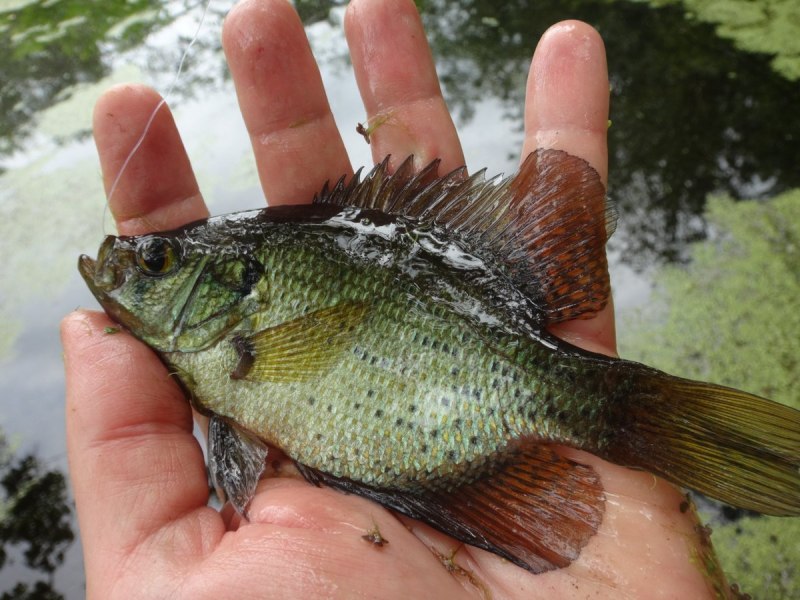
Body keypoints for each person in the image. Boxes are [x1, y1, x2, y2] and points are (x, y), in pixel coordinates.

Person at [62, 0, 732, 597]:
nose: (137, 265)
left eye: (159, 261)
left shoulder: (234, 338)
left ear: (233, 283)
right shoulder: (230, 344)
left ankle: (627, 412)